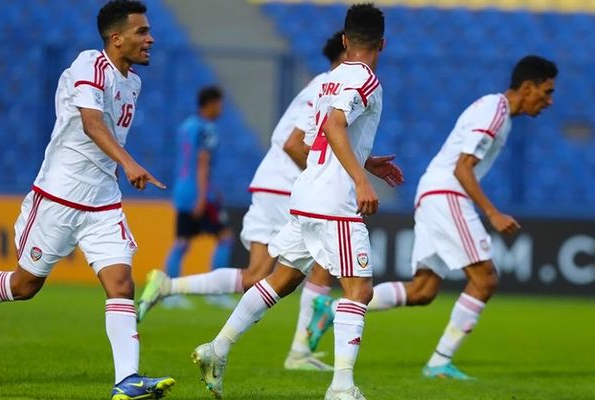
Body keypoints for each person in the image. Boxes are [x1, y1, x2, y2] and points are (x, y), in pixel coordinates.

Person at [137, 30, 401, 375]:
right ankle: (307, 355)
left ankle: (181, 301)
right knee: (338, 277)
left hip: (287, 187)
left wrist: (358, 164)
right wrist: (333, 180)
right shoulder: (339, 84)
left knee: (267, 276)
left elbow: (320, 140)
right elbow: (298, 143)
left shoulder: (325, 84)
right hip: (291, 187)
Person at [308, 55, 558, 381]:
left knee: (423, 290)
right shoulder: (495, 111)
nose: (549, 101)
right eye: (546, 92)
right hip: (446, 193)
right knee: (485, 279)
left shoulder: (498, 113)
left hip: (433, 193)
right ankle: (439, 362)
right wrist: (492, 212)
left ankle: (333, 309)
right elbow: (462, 168)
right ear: (527, 87)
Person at [191, 5, 387, 400]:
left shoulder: (328, 81)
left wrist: (367, 161)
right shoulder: (366, 80)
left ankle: (217, 348)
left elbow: (319, 136)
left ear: (345, 40)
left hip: (306, 194)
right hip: (335, 202)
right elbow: (334, 126)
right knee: (359, 290)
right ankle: (341, 388)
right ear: (382, 44)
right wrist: (361, 179)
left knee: (283, 279)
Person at [0, 1, 175, 399]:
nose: (151, 39)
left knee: (121, 284)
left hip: (103, 202)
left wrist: (118, 168)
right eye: (142, 32)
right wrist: (129, 163)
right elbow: (92, 124)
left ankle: (126, 381)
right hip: (59, 196)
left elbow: (105, 135)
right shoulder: (90, 65)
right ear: (116, 38)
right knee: (24, 286)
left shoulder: (133, 83)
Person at [163, 85, 235, 309]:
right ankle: (216, 291)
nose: (221, 108)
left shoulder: (187, 126)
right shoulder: (206, 128)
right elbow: (202, 162)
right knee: (225, 238)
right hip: (199, 192)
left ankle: (168, 292)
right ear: (211, 103)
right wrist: (203, 196)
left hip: (182, 189)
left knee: (182, 242)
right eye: (220, 104)